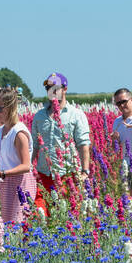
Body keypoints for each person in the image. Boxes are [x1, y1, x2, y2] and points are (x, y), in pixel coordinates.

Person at [30, 72, 91, 212]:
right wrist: (28, 168)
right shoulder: (39, 116)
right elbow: (34, 145)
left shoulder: (76, 115)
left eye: (55, 88)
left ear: (65, 89)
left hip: (67, 175)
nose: (52, 91)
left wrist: (85, 171)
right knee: (40, 215)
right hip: (44, 175)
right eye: (48, 88)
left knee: (68, 215)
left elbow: (83, 144)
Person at [0, 87, 37, 224]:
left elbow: (26, 166)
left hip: (22, 184)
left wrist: (1, 173)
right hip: (7, 183)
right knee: (7, 227)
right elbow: (7, 162)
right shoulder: (1, 131)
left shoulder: (19, 133)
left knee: (19, 227)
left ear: (10, 108)